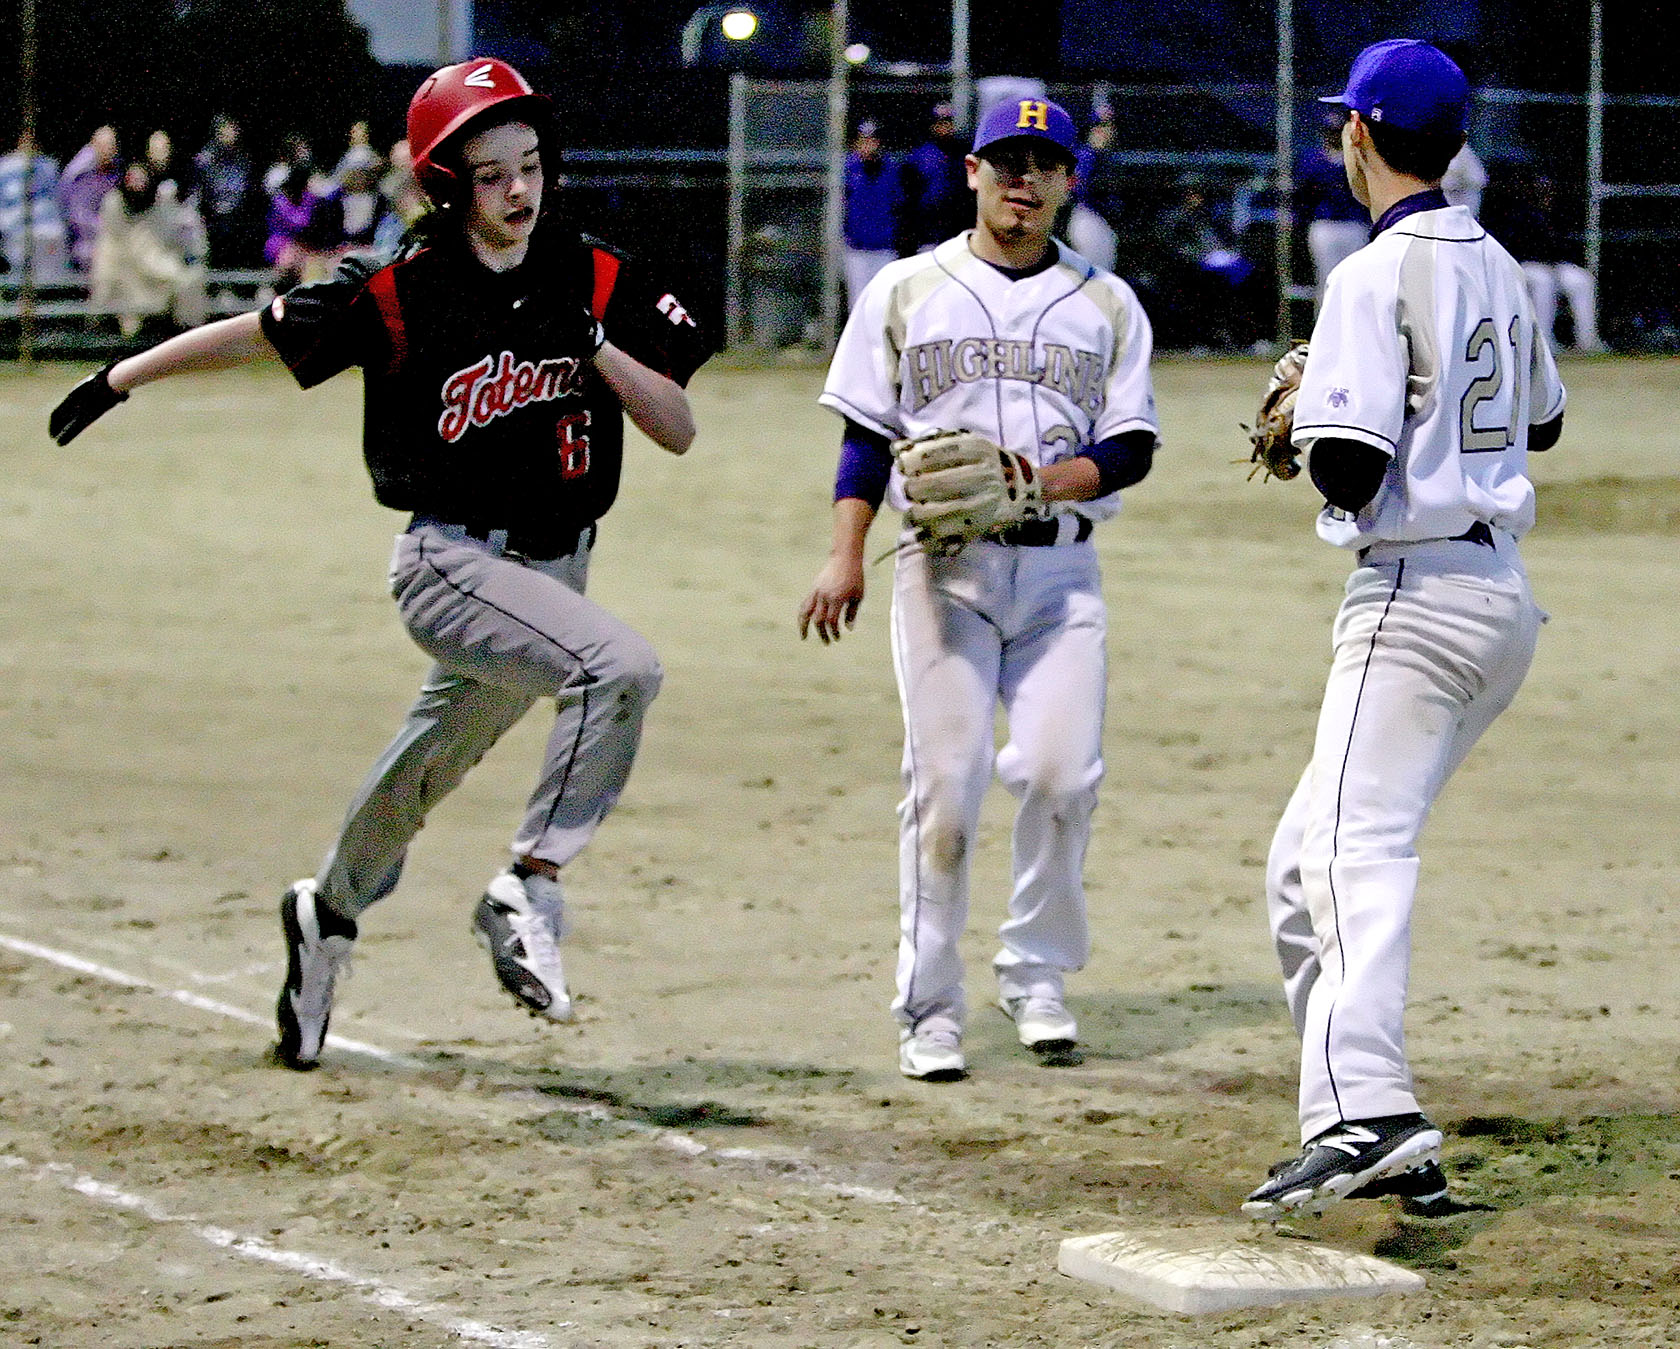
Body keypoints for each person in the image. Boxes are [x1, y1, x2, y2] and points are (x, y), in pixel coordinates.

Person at [47, 57, 713, 1072]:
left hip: (552, 575)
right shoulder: (402, 291)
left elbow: (676, 428)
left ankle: (325, 912)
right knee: (619, 669)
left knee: (425, 770)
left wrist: (599, 352)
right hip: (450, 562)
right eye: (492, 174)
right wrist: (121, 374)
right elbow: (258, 333)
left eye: (531, 165)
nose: (521, 190)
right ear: (447, 185)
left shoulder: (594, 273)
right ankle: (529, 883)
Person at [1242, 39, 1566, 1220]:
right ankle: (1384, 1125)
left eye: (1344, 126)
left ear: (1362, 136)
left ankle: (1362, 1110)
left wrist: (1315, 410)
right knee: (1301, 868)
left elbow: (1345, 462)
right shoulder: (1498, 262)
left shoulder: (1370, 277)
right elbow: (1543, 425)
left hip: (1416, 603)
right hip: (1498, 600)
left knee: (1350, 853)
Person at [798, 96, 1160, 1081]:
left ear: (1068, 180)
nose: (1022, 179)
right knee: (946, 792)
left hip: (1060, 569)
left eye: (1043, 162)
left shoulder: (1108, 303)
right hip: (940, 572)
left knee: (1059, 772)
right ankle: (929, 1006)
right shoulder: (912, 290)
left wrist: (1039, 483)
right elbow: (865, 439)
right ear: (972, 172)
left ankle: (1037, 975)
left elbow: (1129, 448)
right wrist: (844, 556)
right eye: (1006, 159)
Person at [1491, 167, 1606, 354]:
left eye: (1548, 188)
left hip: (1554, 264)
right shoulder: (1517, 212)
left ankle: (1587, 341)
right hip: (1525, 265)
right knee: (1544, 282)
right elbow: (1513, 246)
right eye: (1540, 188)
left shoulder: (1558, 213)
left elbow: (1564, 246)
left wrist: (1556, 262)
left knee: (1582, 280)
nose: (1546, 191)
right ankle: (1544, 343)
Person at [89, 160, 207, 336]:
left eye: (141, 178)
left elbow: (165, 242)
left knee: (189, 279)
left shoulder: (159, 207)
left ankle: (189, 334)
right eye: (133, 178)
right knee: (111, 281)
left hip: (154, 263)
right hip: (122, 265)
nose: (137, 182)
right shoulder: (113, 203)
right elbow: (111, 243)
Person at [1298, 116, 1368, 304]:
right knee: (1327, 279)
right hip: (1325, 224)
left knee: (1356, 280)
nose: (1333, 136)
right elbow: (1304, 197)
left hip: (1355, 224)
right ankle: (1325, 330)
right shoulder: (1314, 160)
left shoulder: (1357, 157)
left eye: (1337, 131)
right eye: (1329, 131)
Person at [841, 119, 904, 309]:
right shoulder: (848, 168)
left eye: (873, 141)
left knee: (883, 302)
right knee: (858, 302)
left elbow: (899, 204)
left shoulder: (891, 168)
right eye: (864, 140)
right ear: (855, 143)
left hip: (884, 245)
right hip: (856, 247)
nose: (869, 145)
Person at [899, 102, 971, 254]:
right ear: (932, 125)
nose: (944, 127)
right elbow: (909, 198)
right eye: (940, 123)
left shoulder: (964, 153)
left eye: (947, 122)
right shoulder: (919, 156)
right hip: (927, 230)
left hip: (957, 228)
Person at [0, 131, 69, 279]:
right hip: (16, 227)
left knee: (51, 273)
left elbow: (57, 200)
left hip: (49, 229)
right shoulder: (5, 167)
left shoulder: (48, 166)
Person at [195, 114, 260, 268]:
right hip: (212, 214)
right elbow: (201, 193)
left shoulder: (244, 160)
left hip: (238, 213)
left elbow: (246, 191)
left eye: (233, 129)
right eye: (226, 129)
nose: (231, 133)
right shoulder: (204, 160)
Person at [59, 125, 122, 273]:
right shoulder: (81, 176)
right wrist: (106, 228)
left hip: (112, 235)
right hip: (82, 241)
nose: (110, 150)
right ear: (94, 145)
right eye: (106, 145)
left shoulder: (114, 171)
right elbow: (79, 217)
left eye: (113, 145)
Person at [1066, 106, 1118, 274]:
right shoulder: (1086, 155)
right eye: (1099, 126)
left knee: (1103, 275)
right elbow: (1079, 188)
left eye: (1108, 126)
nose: (1104, 131)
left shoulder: (1105, 157)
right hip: (1088, 217)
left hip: (1100, 221)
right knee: (1094, 277)